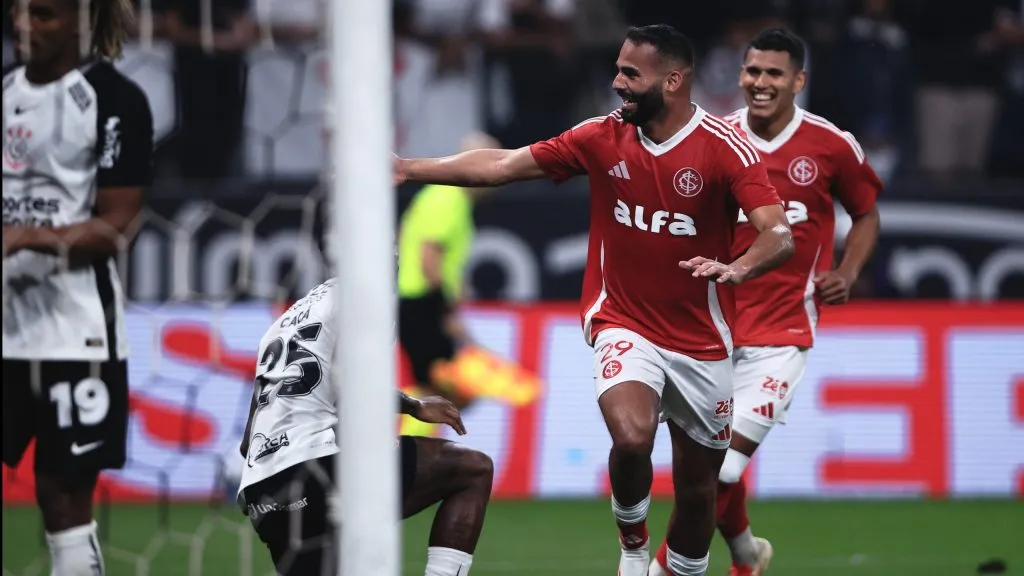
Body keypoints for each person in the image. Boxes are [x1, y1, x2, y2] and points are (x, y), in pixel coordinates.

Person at [394, 24, 795, 576]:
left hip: (703, 339)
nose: (617, 83)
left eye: (632, 74)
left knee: (701, 490)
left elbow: (778, 232)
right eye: (618, 70)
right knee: (631, 437)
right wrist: (409, 168)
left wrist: (738, 267)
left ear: (673, 81)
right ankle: (633, 546)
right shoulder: (600, 137)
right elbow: (504, 165)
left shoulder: (725, 150)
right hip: (624, 322)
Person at [649, 28, 883, 576]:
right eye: (753, 71)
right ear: (740, 75)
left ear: (798, 80)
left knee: (721, 473)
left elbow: (866, 213)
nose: (761, 82)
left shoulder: (830, 145)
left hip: (781, 335)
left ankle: (656, 570)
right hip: (711, 332)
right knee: (703, 471)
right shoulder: (714, 139)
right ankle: (748, 557)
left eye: (774, 73)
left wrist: (847, 271)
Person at [2, 1, 153, 574]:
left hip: (77, 333)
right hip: (6, 327)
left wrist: (22, 237)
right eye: (18, 11)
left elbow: (117, 227)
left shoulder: (115, 102)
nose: (23, 25)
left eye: (42, 14)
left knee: (61, 494)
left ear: (80, 22)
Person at [237, 278, 494, 576]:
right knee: (472, 468)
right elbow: (357, 386)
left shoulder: (282, 324)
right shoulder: (367, 298)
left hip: (261, 493)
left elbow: (247, 443)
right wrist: (415, 405)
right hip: (314, 470)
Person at [397, 131, 537, 437]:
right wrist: (445, 311)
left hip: (418, 302)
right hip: (423, 303)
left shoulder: (439, 197)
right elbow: (428, 257)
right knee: (442, 393)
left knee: (434, 390)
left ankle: (408, 455)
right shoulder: (448, 198)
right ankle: (405, 456)